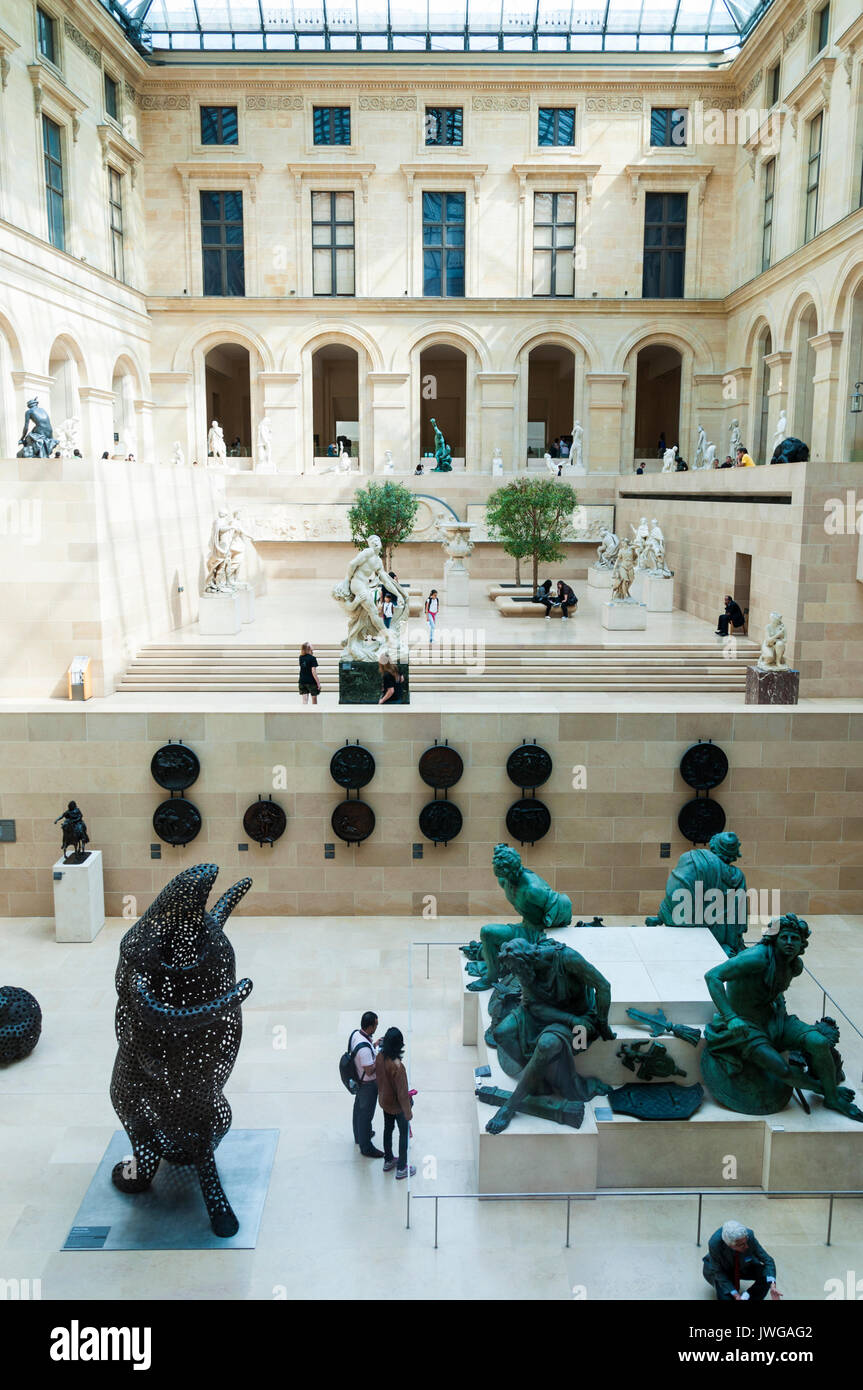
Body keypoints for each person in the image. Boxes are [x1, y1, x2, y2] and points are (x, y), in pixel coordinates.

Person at [375, 1027, 416, 1179]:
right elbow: (402, 1094)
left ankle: (388, 1160)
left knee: (388, 1130)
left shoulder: (380, 1056)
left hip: (385, 1101)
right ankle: (401, 1168)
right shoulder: (398, 1067)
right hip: (397, 1107)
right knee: (403, 1134)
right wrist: (408, 1112)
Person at [703, 1221, 780, 1301]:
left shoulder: (749, 1235)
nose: (747, 1246)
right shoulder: (715, 1244)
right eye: (742, 1245)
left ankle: (748, 1297)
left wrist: (772, 1285)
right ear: (730, 1245)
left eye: (746, 1242)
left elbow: (768, 1260)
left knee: (766, 1275)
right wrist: (736, 1295)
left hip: (744, 1264)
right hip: (723, 1270)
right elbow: (718, 1271)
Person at [349, 1012, 383, 1158]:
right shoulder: (364, 1050)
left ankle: (359, 1135)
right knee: (366, 1115)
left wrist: (374, 1045)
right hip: (367, 1085)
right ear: (370, 1027)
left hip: (358, 1079)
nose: (377, 1026)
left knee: (358, 1109)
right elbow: (369, 1071)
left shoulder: (356, 1034)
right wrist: (380, 1057)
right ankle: (366, 1147)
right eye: (376, 1024)